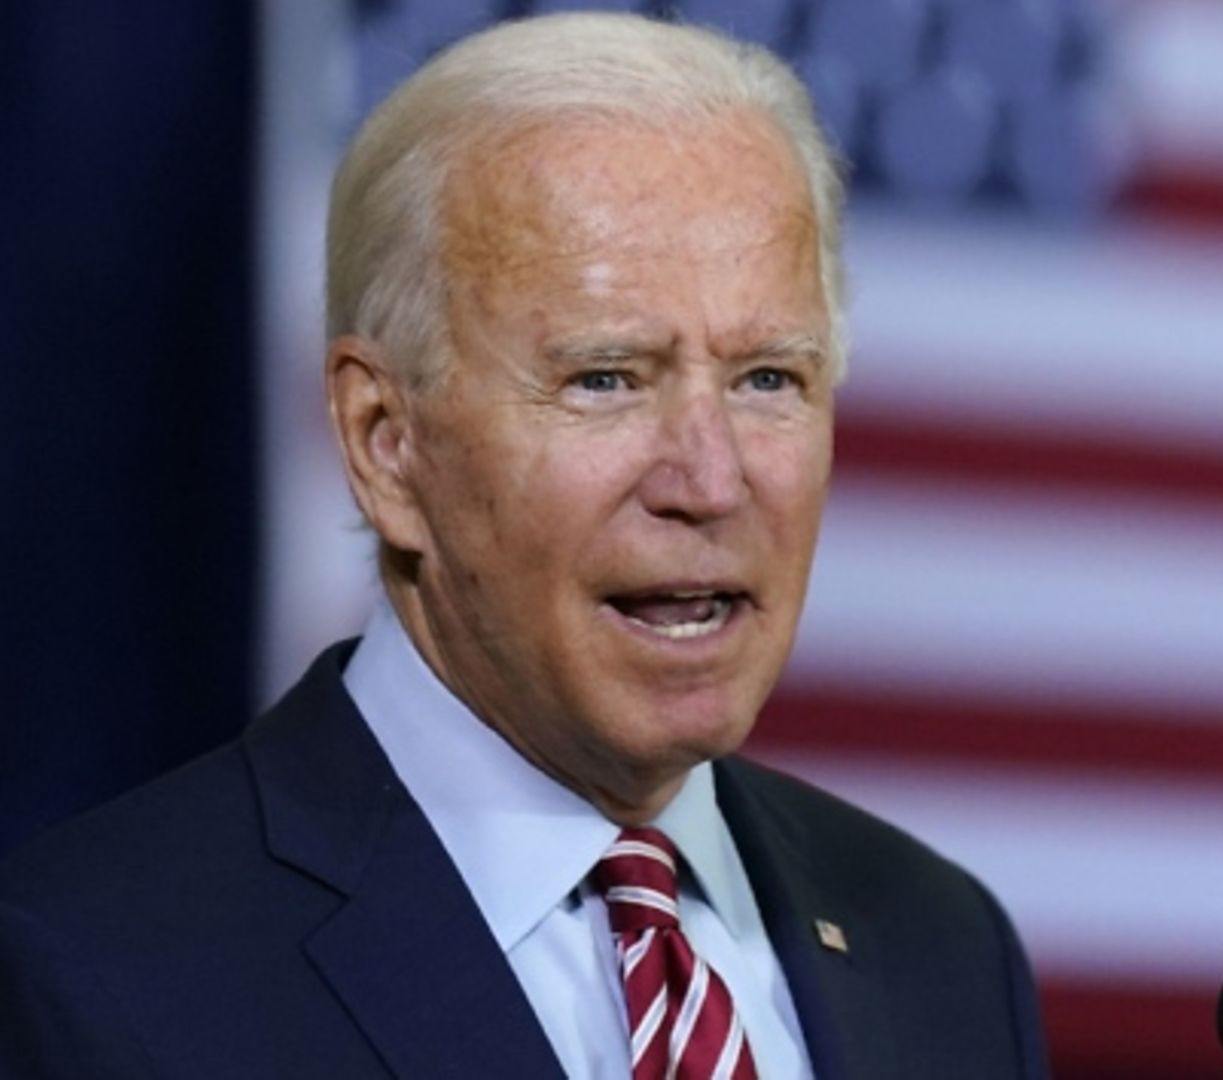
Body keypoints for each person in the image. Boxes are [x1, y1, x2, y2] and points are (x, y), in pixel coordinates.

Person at [0, 14, 1048, 1080]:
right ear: (387, 444)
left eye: (768, 379)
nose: (712, 481)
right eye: (606, 379)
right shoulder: (84, 978)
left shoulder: (944, 949)